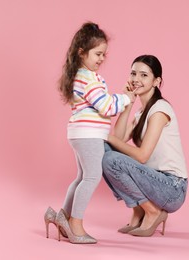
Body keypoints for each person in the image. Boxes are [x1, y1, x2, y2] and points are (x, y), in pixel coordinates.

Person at [44, 22, 135, 244]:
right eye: (97, 53)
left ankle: (62, 217)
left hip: (79, 133)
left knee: (82, 177)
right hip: (88, 134)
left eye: (104, 54)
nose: (102, 58)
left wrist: (118, 97)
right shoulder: (89, 77)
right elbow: (105, 107)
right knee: (92, 177)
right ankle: (76, 223)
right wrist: (125, 99)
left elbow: (99, 102)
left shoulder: (80, 75)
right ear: (81, 52)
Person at [102, 55, 188, 237]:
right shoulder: (140, 113)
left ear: (157, 81)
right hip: (153, 181)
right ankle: (140, 209)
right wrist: (128, 102)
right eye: (133, 74)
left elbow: (142, 156)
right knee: (104, 151)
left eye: (144, 75)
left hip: (172, 187)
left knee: (110, 156)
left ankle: (152, 211)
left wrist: (106, 136)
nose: (136, 80)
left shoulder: (160, 110)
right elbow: (118, 139)